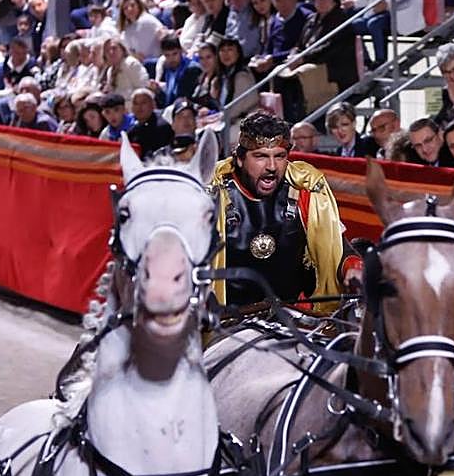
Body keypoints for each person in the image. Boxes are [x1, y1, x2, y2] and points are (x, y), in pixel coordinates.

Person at [210, 112, 361, 307]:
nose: (272, 166)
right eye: (261, 156)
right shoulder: (212, 196)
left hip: (293, 316)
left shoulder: (304, 190)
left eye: (280, 156)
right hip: (227, 319)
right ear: (239, 158)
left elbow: (336, 248)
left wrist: (354, 267)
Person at [151, 35, 202, 108]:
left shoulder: (192, 69)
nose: (171, 59)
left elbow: (182, 99)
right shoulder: (168, 68)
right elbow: (168, 100)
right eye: (167, 55)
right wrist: (158, 91)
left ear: (181, 51)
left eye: (174, 54)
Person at [128, 88, 174, 156]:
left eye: (143, 103)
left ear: (153, 104)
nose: (139, 107)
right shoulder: (132, 130)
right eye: (135, 103)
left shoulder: (163, 127)